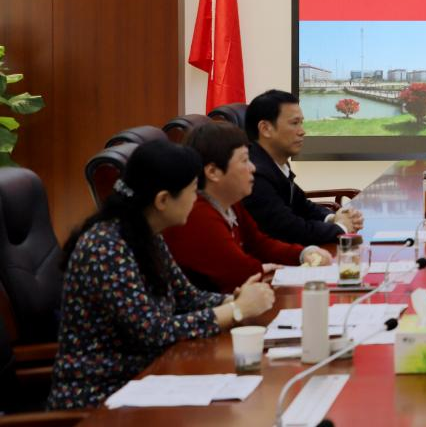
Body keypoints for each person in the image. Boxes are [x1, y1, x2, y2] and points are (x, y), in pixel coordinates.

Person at [48, 140, 275, 410]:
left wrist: (233, 300)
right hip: (101, 398)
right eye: (193, 191)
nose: (196, 199)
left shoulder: (146, 234)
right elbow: (153, 331)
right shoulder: (105, 247)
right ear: (163, 200)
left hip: (149, 380)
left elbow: (187, 297)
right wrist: (236, 311)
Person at [164, 122, 332, 293]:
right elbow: (239, 273)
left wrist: (303, 253)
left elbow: (260, 244)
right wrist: (263, 270)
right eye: (244, 161)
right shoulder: (197, 214)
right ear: (213, 172)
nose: (253, 168)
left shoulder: (230, 202)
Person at [240, 89, 362, 245]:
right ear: (265, 128)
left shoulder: (274, 164)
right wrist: (341, 228)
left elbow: (303, 206)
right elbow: (291, 231)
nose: (302, 131)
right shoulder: (254, 174)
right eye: (294, 123)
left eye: (301, 123)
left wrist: (333, 218)